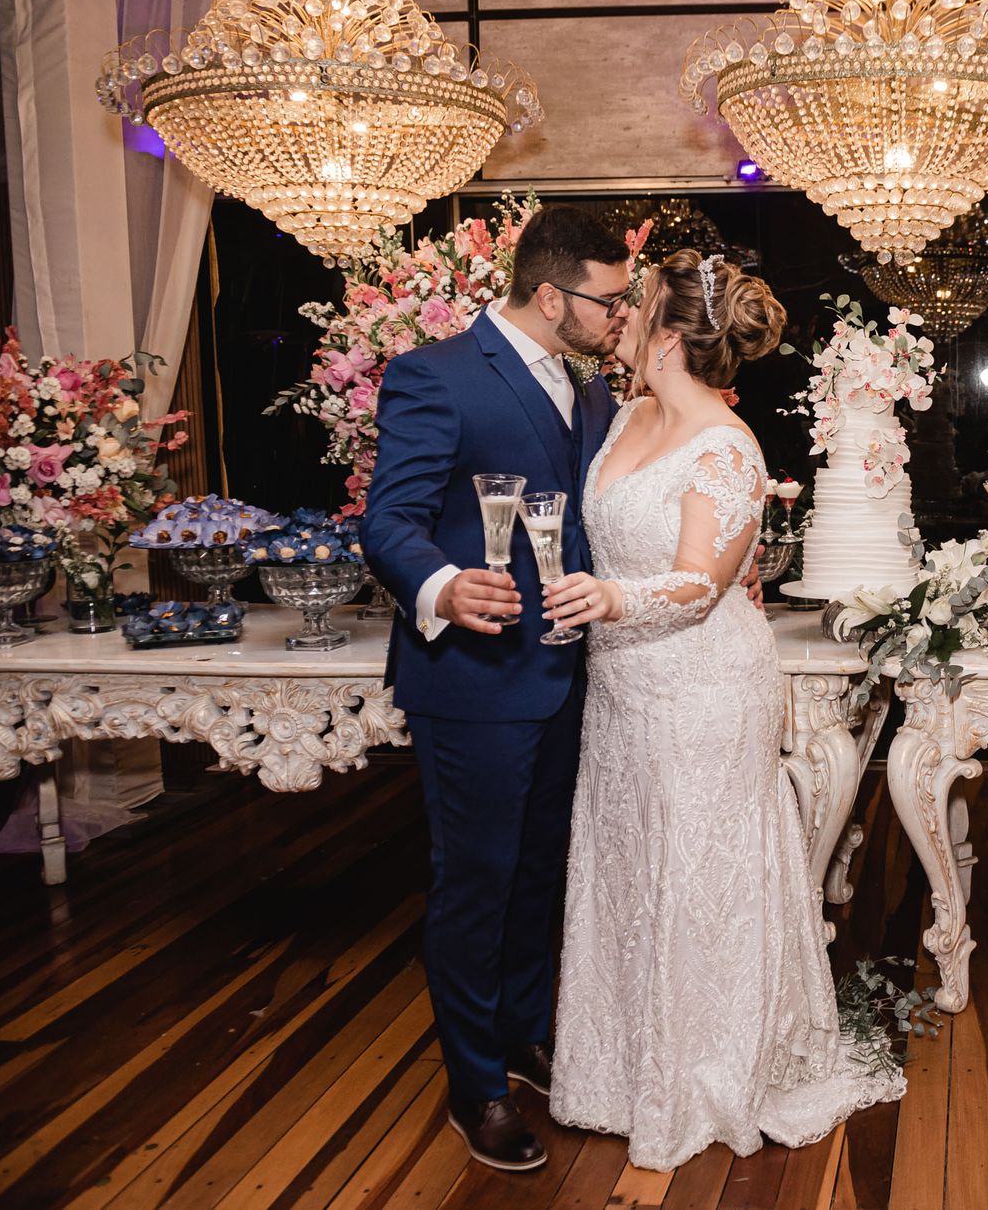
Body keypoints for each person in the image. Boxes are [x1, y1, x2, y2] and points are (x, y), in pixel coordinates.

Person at [539, 250, 904, 1170]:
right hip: (624, 686)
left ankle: (711, 1068)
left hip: (700, 684)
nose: (617, 317)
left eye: (636, 305)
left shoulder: (726, 447)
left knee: (698, 868)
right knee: (630, 860)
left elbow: (701, 583)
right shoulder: (624, 415)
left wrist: (613, 600)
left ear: (667, 335)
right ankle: (624, 1068)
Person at [362, 206, 630, 1171]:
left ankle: (522, 1036)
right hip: (472, 681)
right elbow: (388, 520)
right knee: (474, 883)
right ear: (551, 294)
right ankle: (473, 1086)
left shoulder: (591, 391)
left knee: (539, 874)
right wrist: (440, 582)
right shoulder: (434, 374)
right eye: (608, 300)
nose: (620, 316)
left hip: (566, 675)